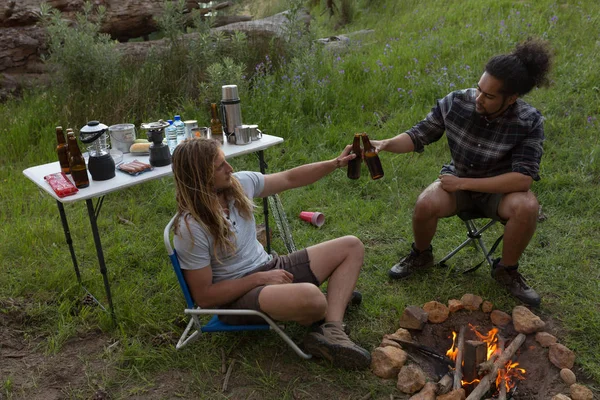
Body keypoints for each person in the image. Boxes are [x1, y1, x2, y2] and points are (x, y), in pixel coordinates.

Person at [372, 38, 553, 306]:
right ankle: (421, 255)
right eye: (479, 89)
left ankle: (507, 270)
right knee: (425, 203)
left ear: (511, 98)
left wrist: (462, 183)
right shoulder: (456, 102)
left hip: (499, 193)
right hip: (459, 184)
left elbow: (523, 179)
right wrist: (385, 144)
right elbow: (418, 135)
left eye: (489, 96)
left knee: (527, 206)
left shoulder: (529, 121)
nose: (478, 98)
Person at [171, 138, 371, 369]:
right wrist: (259, 279)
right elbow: (205, 298)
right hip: (235, 299)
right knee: (313, 298)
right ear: (200, 177)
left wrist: (335, 163)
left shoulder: (238, 185)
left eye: (226, 162)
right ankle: (330, 303)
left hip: (270, 267)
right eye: (220, 166)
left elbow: (289, 178)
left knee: (351, 246)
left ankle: (332, 331)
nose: (230, 169)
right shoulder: (190, 228)